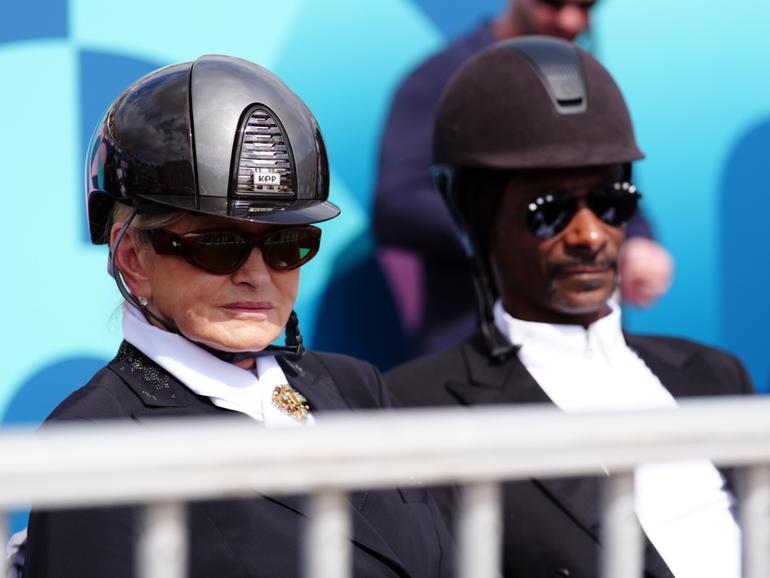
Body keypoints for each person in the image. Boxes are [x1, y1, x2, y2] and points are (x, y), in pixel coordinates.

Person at [23, 55, 454, 578]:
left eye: (287, 245)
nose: (257, 275)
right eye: (221, 246)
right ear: (132, 258)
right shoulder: (93, 442)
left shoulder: (360, 387)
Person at [385, 37, 752, 577]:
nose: (590, 235)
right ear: (480, 220)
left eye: (611, 202)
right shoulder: (414, 410)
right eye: (548, 210)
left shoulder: (717, 375)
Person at [373, 0, 673, 356]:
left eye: (587, 5)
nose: (571, 19)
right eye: (555, 3)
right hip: (479, 344)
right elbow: (396, 201)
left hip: (588, 340)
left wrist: (637, 240)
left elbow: (605, 190)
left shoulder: (583, 77)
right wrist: (514, 228)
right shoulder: (443, 79)